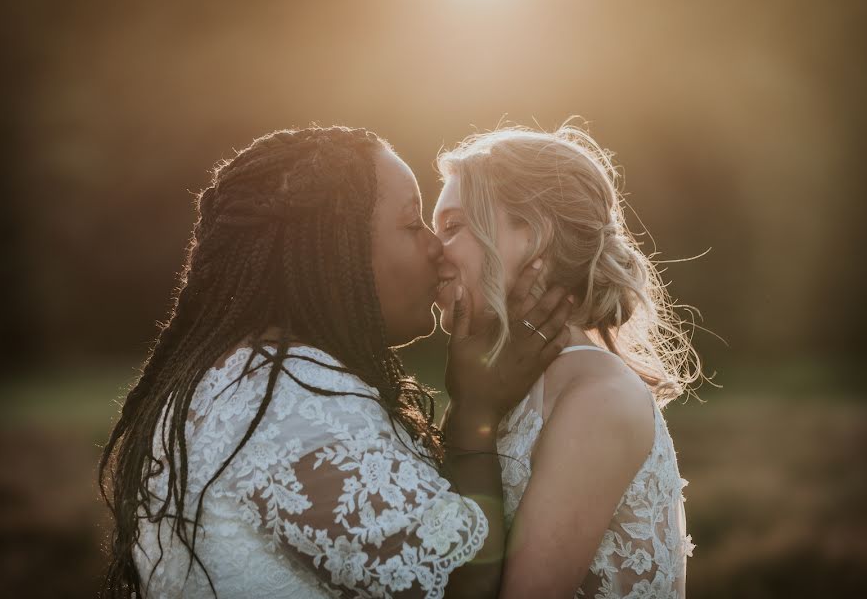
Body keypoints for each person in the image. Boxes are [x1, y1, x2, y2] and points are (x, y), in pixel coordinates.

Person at [97, 126, 573, 598]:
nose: (437, 249)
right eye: (412, 224)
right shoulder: (288, 404)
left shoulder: (249, 381)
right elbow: (461, 585)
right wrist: (475, 415)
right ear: (332, 248)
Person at [432, 124, 702, 598]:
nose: (435, 252)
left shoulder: (599, 396)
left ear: (532, 236)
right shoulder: (506, 383)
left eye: (453, 227)